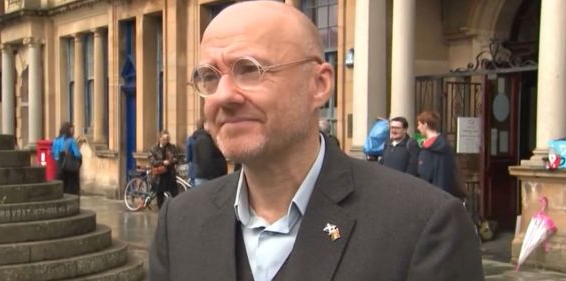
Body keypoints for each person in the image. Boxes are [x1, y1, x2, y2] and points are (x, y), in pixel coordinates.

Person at [150, 2, 483, 281]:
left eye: (248, 69)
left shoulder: (423, 225)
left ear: (319, 85)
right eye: (209, 76)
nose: (223, 95)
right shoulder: (179, 221)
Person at [416, 111, 466, 198]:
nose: (418, 127)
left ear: (425, 125)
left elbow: (426, 173)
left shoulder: (430, 147)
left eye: (419, 124)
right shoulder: (444, 145)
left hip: (430, 192)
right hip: (440, 192)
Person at [148, 131, 179, 209]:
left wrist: (170, 161)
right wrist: (162, 162)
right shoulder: (154, 149)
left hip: (170, 173)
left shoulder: (172, 147)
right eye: (164, 139)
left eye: (168, 139)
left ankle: (176, 209)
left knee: (175, 193)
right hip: (159, 175)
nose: (166, 141)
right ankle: (161, 210)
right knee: (160, 195)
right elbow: (152, 161)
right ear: (160, 138)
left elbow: (176, 158)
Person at [192, 121, 228, 186]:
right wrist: (216, 174)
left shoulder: (207, 138)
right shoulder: (204, 139)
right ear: (204, 125)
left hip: (209, 177)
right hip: (208, 178)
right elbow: (206, 161)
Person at [52, 122, 82, 195]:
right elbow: (77, 154)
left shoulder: (56, 140)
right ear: (68, 130)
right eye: (72, 130)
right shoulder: (71, 140)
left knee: (61, 190)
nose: (73, 131)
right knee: (71, 190)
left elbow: (54, 154)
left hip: (58, 167)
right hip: (69, 169)